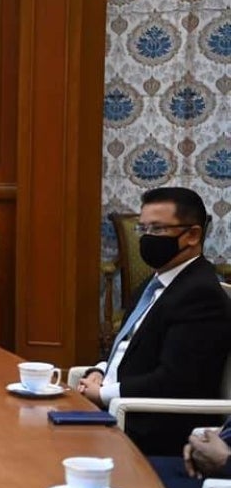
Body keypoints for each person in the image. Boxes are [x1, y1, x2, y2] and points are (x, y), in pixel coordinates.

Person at [78, 186, 231, 455]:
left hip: (146, 429)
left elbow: (174, 381)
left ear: (192, 235)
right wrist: (99, 371)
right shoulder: (156, 281)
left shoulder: (200, 294)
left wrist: (102, 394)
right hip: (113, 409)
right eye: (143, 229)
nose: (147, 239)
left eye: (158, 230)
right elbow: (129, 345)